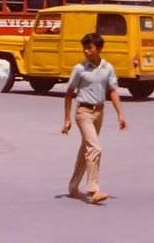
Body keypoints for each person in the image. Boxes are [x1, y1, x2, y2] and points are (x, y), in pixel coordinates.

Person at [62, 33, 127, 204]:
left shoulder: (108, 68)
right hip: (83, 112)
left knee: (87, 150)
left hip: (99, 112)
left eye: (89, 48)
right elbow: (69, 94)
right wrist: (67, 119)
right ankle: (93, 189)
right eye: (84, 48)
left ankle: (73, 186)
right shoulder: (80, 69)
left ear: (99, 49)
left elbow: (112, 90)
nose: (86, 51)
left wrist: (120, 113)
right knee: (95, 147)